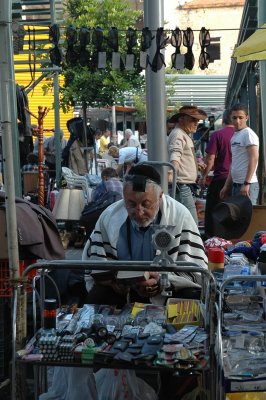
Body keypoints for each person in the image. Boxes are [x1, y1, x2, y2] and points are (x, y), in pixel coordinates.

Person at [82, 164, 208, 307]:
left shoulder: (179, 216)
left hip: (168, 293)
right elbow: (96, 267)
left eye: (146, 204)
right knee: (97, 298)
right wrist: (114, 282)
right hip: (124, 293)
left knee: (190, 297)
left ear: (160, 196)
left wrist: (162, 281)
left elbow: (196, 273)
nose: (139, 212)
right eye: (131, 204)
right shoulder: (110, 216)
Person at [167, 105, 207, 224]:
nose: (196, 123)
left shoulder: (184, 134)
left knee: (186, 222)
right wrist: (171, 173)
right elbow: (175, 154)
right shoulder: (178, 133)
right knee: (191, 223)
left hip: (186, 185)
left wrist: (196, 165)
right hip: (182, 185)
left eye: (197, 121)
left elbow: (181, 156)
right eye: (192, 120)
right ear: (181, 119)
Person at [199, 109, 235, 237]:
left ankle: (213, 239)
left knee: (213, 210)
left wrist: (203, 177)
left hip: (221, 177)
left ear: (223, 120)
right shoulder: (242, 134)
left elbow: (210, 159)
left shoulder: (218, 135)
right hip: (237, 180)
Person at [220, 103, 259, 205]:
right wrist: (227, 185)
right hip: (236, 184)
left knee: (247, 218)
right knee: (238, 218)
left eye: (241, 117)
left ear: (247, 117)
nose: (237, 121)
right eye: (234, 118)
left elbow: (254, 158)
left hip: (247, 185)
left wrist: (246, 183)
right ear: (230, 118)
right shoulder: (235, 136)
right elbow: (234, 163)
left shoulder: (248, 134)